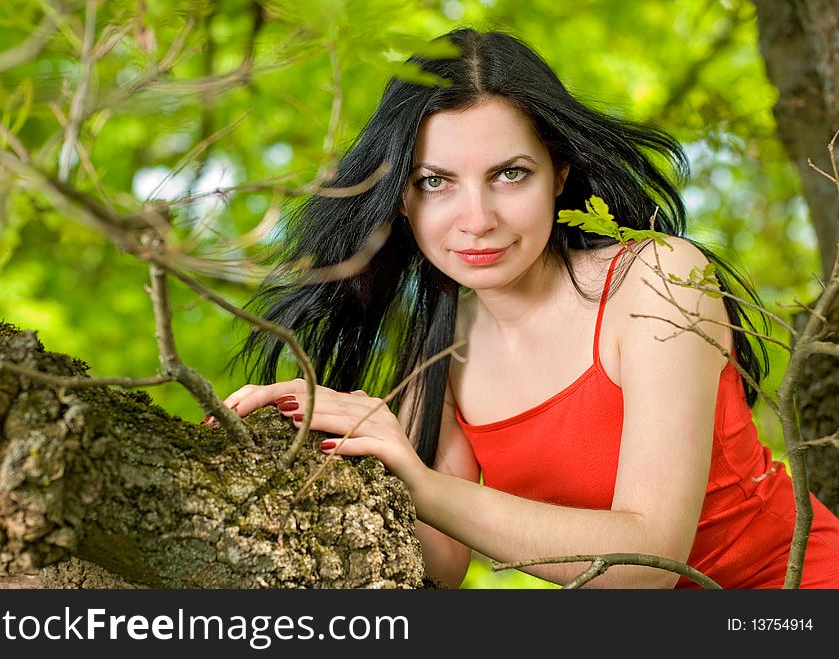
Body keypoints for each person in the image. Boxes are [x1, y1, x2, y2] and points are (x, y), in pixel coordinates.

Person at [218, 27, 839, 588]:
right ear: (401, 201)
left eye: (509, 174)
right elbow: (427, 565)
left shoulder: (657, 278)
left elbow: (648, 565)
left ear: (559, 170)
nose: (478, 220)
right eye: (435, 182)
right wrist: (311, 439)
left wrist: (421, 480)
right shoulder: (446, 350)